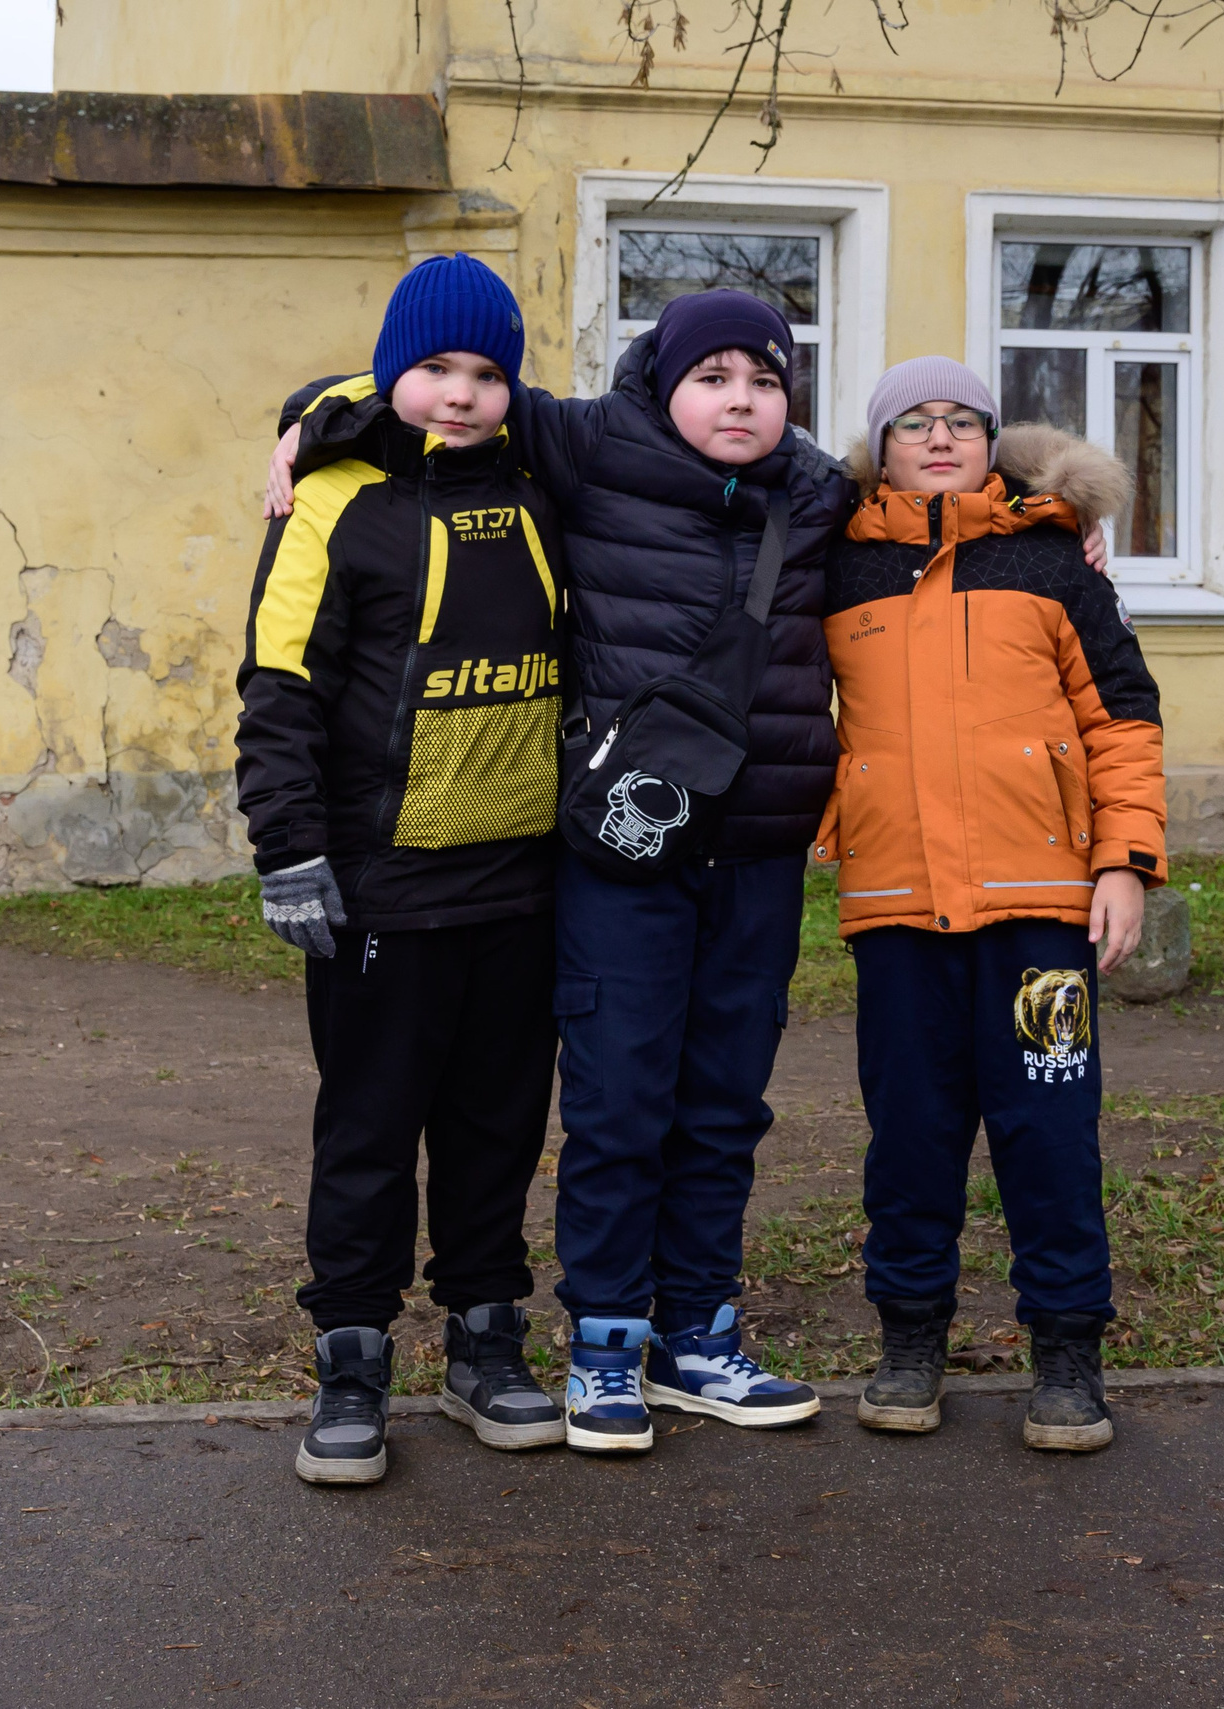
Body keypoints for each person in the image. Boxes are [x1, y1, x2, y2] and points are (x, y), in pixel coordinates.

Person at [270, 289, 850, 1453]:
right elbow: (442, 391)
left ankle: (698, 1332)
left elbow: (952, 496)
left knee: (723, 1106)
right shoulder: (590, 445)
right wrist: (310, 417)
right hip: (622, 848)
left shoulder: (823, 491)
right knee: (617, 1100)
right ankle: (603, 1345)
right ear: (661, 380)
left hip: (758, 850)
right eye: (713, 375)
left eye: (765, 379)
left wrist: (1066, 517)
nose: (739, 399)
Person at [236, 253, 571, 1485]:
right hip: (379, 889)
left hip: (521, 886)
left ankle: (486, 1340)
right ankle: (352, 1353)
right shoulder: (331, 499)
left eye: (487, 373)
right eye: (435, 368)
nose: (461, 394)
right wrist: (290, 851)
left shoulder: (545, 489)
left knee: (495, 1129)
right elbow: (278, 687)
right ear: (393, 371)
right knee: (370, 1131)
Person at [815, 355, 1167, 1453]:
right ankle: (910, 1340)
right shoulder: (834, 568)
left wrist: (1123, 863)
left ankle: (1066, 1350)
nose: (938, 436)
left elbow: (1122, 717)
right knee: (911, 1132)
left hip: (1039, 912)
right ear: (877, 447)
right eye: (911, 422)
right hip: (896, 910)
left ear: (992, 440)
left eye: (961, 420)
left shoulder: (1054, 560)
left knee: (1047, 1128)